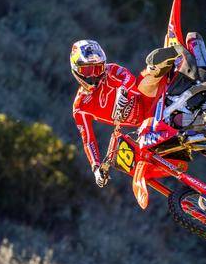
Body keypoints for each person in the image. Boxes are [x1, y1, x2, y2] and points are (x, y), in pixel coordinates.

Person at [70, 40, 176, 187]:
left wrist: (124, 90)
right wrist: (96, 167)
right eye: (88, 71)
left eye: (98, 68)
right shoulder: (80, 107)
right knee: (142, 152)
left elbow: (128, 77)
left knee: (144, 81)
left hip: (148, 98)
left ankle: (162, 63)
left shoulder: (110, 70)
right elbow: (88, 140)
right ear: (77, 70)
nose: (94, 75)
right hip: (148, 123)